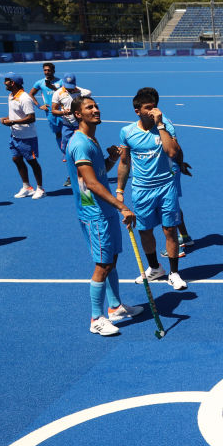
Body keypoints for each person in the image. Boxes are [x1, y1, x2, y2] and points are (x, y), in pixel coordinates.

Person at [64, 94, 143, 335]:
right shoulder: (80, 144)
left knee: (111, 260)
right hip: (94, 213)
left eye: (96, 106)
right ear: (78, 114)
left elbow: (98, 175)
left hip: (103, 210)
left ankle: (115, 307)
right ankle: (96, 318)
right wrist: (122, 206)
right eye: (90, 107)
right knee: (103, 264)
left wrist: (110, 159)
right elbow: (92, 184)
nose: (96, 110)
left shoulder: (91, 140)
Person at [116, 90, 188, 290]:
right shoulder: (127, 132)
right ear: (137, 110)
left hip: (166, 186)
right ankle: (155, 268)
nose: (153, 111)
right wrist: (120, 189)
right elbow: (124, 162)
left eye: (154, 106)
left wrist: (161, 125)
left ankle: (174, 273)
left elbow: (172, 152)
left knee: (170, 230)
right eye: (148, 108)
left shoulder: (165, 126)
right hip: (141, 189)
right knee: (145, 231)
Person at [134, 87, 194, 259]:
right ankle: (185, 236)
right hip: (170, 169)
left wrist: (180, 164)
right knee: (173, 205)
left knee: (169, 208)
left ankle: (177, 246)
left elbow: (176, 147)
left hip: (167, 171)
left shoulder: (163, 123)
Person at [0, 72, 44, 199]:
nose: (4, 83)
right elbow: (17, 115)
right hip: (15, 135)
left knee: (32, 162)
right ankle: (27, 187)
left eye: (6, 80)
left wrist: (12, 122)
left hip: (27, 137)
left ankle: (40, 188)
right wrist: (7, 118)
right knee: (16, 159)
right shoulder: (11, 95)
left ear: (12, 83)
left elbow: (31, 118)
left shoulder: (25, 98)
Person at [28, 62, 69, 186]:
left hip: (62, 112)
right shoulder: (40, 83)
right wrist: (39, 105)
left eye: (49, 70)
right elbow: (30, 94)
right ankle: (64, 151)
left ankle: (67, 151)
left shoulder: (61, 82)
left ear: (53, 70)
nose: (46, 72)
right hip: (50, 114)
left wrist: (53, 88)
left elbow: (66, 93)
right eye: (45, 70)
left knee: (68, 133)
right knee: (57, 134)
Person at [51, 73, 92, 167]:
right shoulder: (57, 93)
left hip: (81, 124)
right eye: (68, 86)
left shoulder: (80, 91)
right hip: (67, 124)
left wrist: (78, 91)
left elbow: (89, 92)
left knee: (86, 144)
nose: (70, 89)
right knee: (66, 143)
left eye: (72, 86)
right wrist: (63, 112)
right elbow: (53, 110)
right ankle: (68, 159)